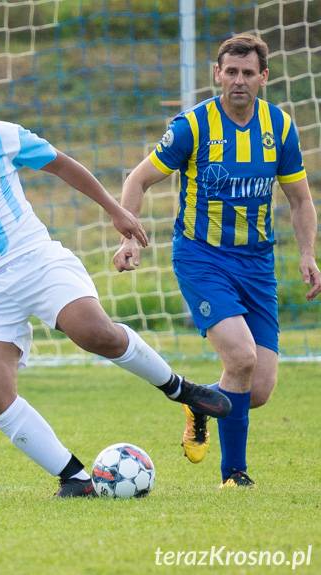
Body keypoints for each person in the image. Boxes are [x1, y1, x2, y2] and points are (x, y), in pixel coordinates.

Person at [0, 61, 232, 497]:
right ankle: (75, 478)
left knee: (95, 332)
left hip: (35, 257)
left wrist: (115, 209)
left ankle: (182, 391)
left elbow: (62, 165)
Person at [113, 34, 319, 488]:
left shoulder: (280, 128)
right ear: (217, 74)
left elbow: (300, 200)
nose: (239, 81)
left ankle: (199, 401)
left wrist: (307, 253)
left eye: (249, 73)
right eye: (231, 72)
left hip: (257, 265)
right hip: (202, 259)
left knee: (257, 389)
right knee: (241, 357)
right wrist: (130, 239)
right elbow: (138, 179)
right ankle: (234, 476)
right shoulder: (192, 126)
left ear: (264, 77)